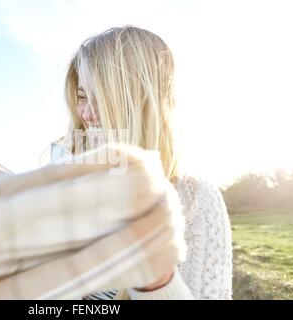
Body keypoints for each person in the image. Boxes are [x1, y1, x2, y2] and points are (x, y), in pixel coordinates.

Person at [51, 25, 232, 300]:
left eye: (102, 97)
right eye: (82, 96)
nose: (87, 114)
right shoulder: (60, 185)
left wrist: (156, 281)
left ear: (141, 104)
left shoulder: (196, 202)